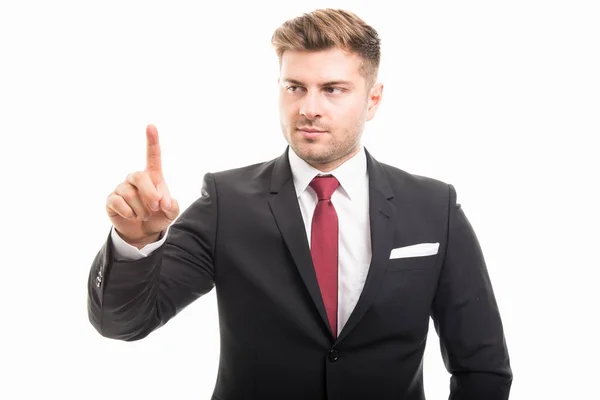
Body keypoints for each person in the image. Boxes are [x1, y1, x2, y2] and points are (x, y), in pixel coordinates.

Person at [87, 8, 512, 400]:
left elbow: (483, 367)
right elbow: (123, 323)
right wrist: (134, 243)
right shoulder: (226, 203)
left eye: (333, 90)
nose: (309, 108)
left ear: (373, 100)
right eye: (295, 87)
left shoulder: (434, 207)